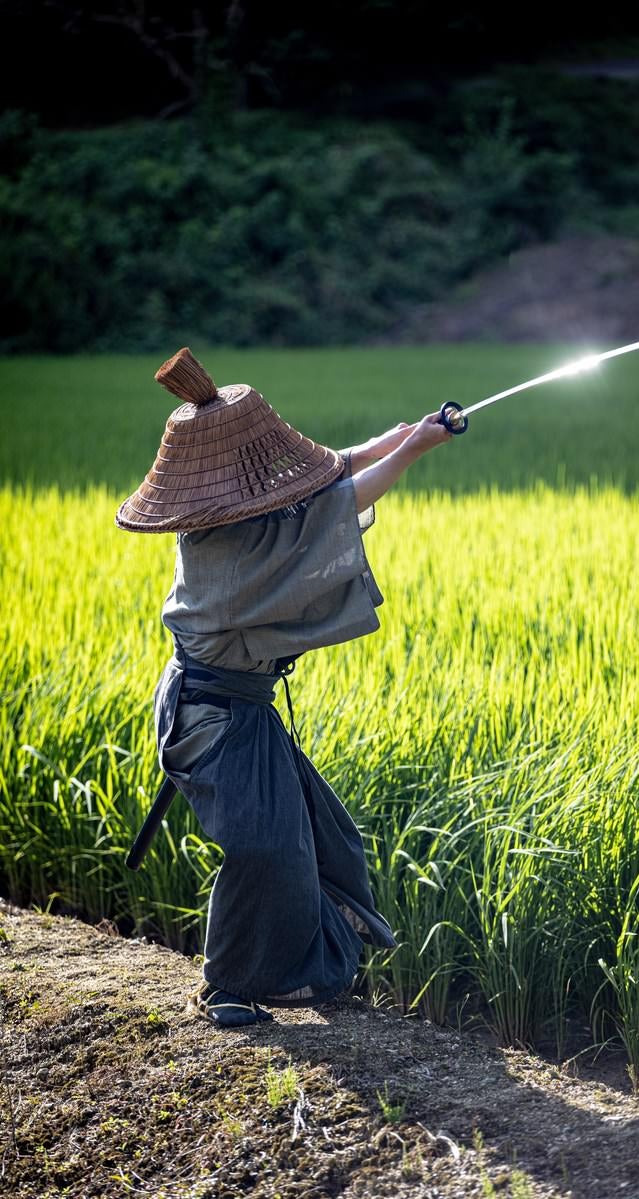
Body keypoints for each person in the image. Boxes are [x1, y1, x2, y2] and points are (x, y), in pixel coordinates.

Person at [116, 347, 452, 1026]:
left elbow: (329, 476)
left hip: (241, 711)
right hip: (211, 718)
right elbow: (336, 503)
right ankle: (225, 984)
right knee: (263, 845)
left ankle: (308, 970)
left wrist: (405, 433)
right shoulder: (217, 547)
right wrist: (415, 450)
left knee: (325, 837)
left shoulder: (243, 513)